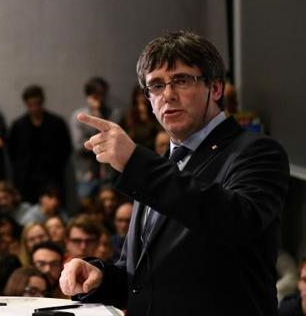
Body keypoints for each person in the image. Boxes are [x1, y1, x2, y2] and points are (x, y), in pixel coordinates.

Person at [59, 31, 289, 316]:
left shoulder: (256, 151)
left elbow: (236, 222)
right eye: (155, 85)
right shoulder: (160, 164)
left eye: (181, 80)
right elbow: (146, 279)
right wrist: (101, 276)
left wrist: (135, 163)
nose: (167, 95)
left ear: (215, 89)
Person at [8, 85, 72, 203]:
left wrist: (56, 166)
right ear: (26, 104)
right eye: (30, 105)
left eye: (37, 104)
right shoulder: (18, 125)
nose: (34, 108)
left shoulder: (56, 123)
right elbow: (12, 153)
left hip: (52, 176)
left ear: (42, 102)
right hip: (26, 179)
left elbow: (66, 149)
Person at [70, 77, 121, 199]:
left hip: (111, 173)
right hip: (88, 174)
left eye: (102, 94)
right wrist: (95, 114)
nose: (100, 98)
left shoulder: (114, 114)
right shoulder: (79, 116)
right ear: (89, 95)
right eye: (96, 95)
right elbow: (79, 147)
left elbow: (116, 142)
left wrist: (99, 115)